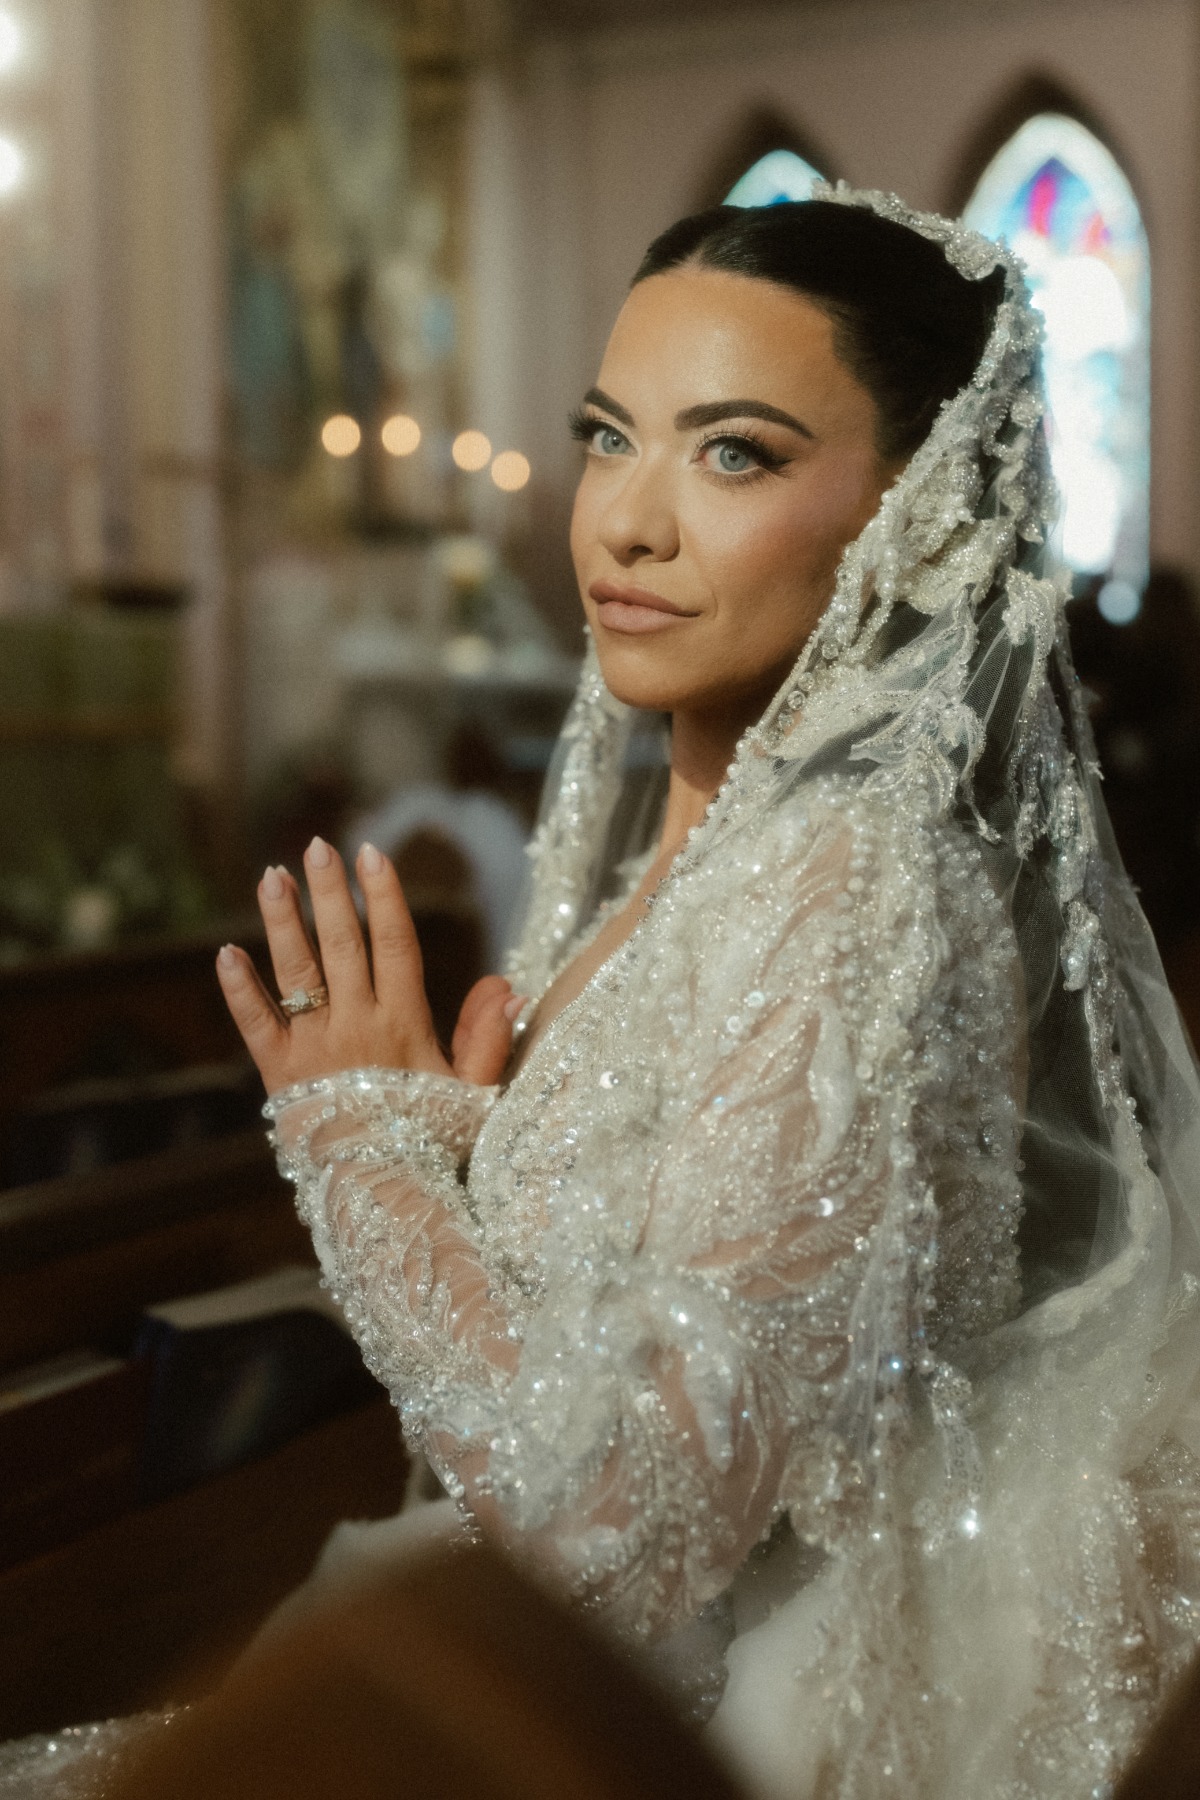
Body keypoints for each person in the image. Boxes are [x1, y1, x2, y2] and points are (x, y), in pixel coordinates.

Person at [5, 187, 1200, 1799]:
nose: (624, 521)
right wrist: (463, 1157)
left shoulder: (857, 895)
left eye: (736, 453)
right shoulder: (709, 843)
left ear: (916, 513)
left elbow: (619, 1536)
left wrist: (362, 1158)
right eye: (607, 433)